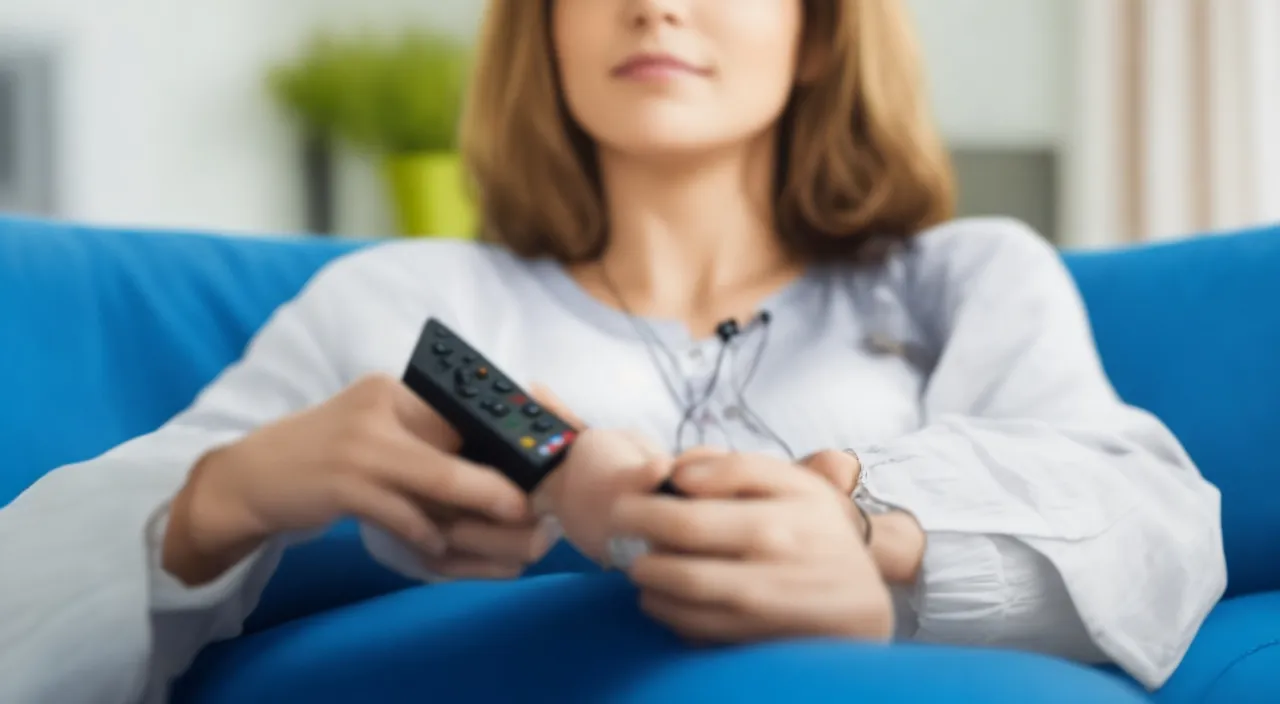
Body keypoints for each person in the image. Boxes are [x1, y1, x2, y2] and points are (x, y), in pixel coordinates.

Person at [0, 0, 1226, 701]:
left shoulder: (965, 274)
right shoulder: (401, 303)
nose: (654, 2)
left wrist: (876, 539)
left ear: (814, 31)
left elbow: (1155, 525)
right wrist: (232, 491)